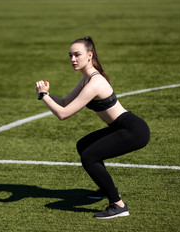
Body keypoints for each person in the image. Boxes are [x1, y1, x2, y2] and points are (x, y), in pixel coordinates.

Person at [35, 36, 150, 219]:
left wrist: (44, 97)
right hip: (119, 127)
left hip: (133, 130)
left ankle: (118, 205)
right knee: (83, 145)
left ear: (90, 55)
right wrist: (47, 94)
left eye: (77, 55)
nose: (73, 59)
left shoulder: (95, 82)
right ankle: (105, 189)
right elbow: (65, 102)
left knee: (89, 156)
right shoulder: (86, 79)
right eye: (70, 55)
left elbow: (63, 114)